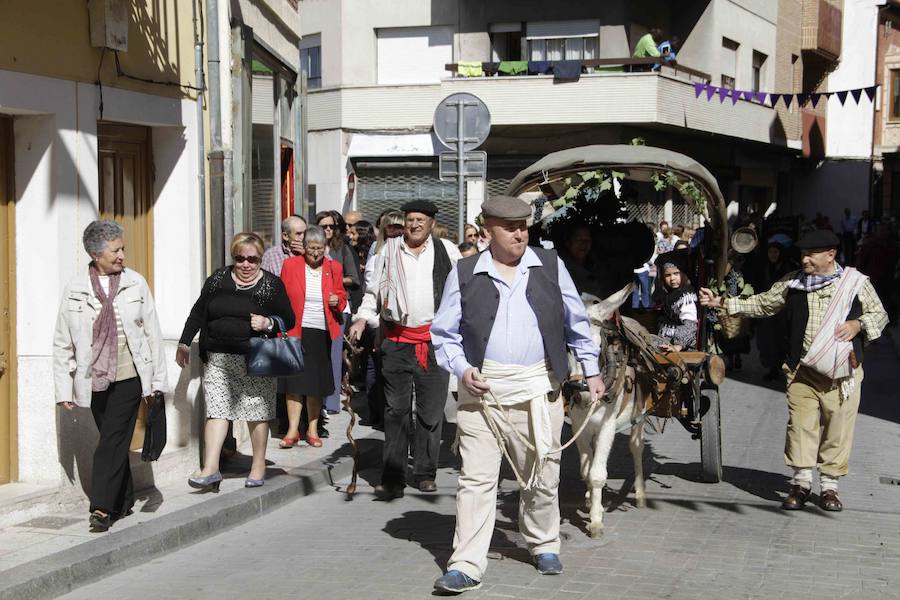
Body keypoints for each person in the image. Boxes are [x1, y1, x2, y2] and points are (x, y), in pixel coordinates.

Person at [430, 195, 604, 594]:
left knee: (542, 474)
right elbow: (443, 334)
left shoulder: (550, 266)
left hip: (537, 386)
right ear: (488, 230)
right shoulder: (465, 271)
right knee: (475, 480)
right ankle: (466, 564)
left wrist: (591, 371)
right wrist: (462, 369)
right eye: (510, 228)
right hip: (483, 389)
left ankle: (543, 543)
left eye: (524, 226)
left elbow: (578, 323)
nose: (520, 234)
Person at [700, 230, 888, 512]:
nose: (805, 259)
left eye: (811, 254)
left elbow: (879, 314)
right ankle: (801, 483)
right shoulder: (793, 282)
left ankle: (829, 488)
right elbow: (764, 303)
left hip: (843, 375)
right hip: (802, 370)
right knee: (800, 427)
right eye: (802, 254)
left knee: (837, 429)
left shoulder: (856, 283)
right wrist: (724, 302)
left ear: (831, 254)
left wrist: (857, 325)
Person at [54, 220, 168, 532]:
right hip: (94, 378)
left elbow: (153, 334)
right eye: (115, 250)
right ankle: (124, 499)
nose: (121, 255)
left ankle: (102, 507)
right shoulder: (76, 288)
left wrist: (157, 383)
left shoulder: (135, 283)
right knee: (113, 439)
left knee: (112, 440)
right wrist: (63, 388)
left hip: (130, 374)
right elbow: (63, 340)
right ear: (95, 253)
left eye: (122, 249)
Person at [347, 199, 462, 497]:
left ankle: (425, 472)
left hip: (434, 343)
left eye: (421, 220)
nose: (414, 224)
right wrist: (361, 320)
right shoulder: (388, 251)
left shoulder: (447, 252)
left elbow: (463, 292)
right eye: (410, 219)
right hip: (396, 341)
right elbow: (373, 294)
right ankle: (393, 475)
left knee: (430, 413)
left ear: (431, 224)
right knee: (395, 411)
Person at [176, 232, 295, 491]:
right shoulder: (218, 279)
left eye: (252, 259)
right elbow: (198, 312)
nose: (245, 264)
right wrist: (185, 342)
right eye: (240, 258)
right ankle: (210, 468)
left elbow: (289, 318)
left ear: (260, 259)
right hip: (218, 356)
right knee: (217, 410)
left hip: (256, 356)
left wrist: (268, 322)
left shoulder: (271, 285)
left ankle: (258, 465)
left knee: (256, 412)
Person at [278, 226, 347, 449]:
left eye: (319, 249)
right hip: (296, 329)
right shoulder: (290, 265)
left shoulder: (333, 267)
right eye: (311, 249)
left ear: (325, 248)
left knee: (315, 384)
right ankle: (292, 430)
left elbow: (342, 296)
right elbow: (281, 294)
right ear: (303, 248)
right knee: (294, 383)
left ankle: (313, 429)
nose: (315, 253)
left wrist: (338, 301)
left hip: (321, 330)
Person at [317, 210, 361, 414]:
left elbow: (354, 278)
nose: (327, 230)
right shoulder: (311, 248)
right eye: (323, 226)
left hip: (338, 307)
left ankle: (331, 403)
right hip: (314, 308)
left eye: (331, 227)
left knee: (334, 355)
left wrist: (330, 279)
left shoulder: (341, 249)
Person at [707, 252, 755, 369]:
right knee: (723, 335)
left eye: (727, 265)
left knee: (736, 335)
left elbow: (741, 292)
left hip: (733, 308)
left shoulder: (737, 276)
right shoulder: (714, 278)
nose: (725, 268)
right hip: (719, 310)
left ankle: (736, 356)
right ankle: (727, 358)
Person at [756, 242, 796, 380]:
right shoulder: (764, 268)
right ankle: (773, 369)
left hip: (783, 314)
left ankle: (784, 368)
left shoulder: (788, 269)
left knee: (783, 341)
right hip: (768, 314)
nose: (773, 255)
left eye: (775, 252)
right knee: (768, 342)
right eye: (770, 252)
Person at [654, 250, 698, 351]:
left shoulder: (686, 296)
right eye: (668, 275)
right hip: (666, 341)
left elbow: (690, 324)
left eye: (676, 273)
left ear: (684, 273)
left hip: (682, 345)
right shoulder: (669, 294)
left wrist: (679, 345)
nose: (672, 278)